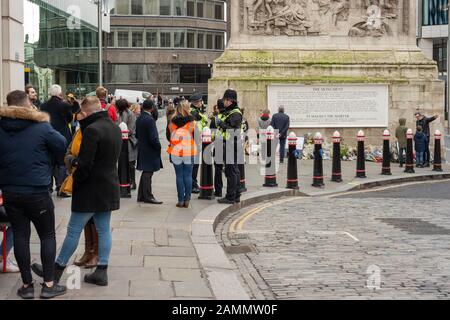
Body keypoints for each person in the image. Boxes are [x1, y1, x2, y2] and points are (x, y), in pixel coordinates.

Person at [31, 96, 122, 287]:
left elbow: (85, 165)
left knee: (73, 230)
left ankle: (55, 271)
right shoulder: (114, 126)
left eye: (79, 112)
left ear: (87, 113)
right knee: (104, 229)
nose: (77, 116)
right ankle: (101, 271)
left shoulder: (92, 130)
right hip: (108, 185)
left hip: (90, 188)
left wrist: (73, 164)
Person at [0, 90, 67, 299]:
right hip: (37, 189)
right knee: (47, 235)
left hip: (10, 190)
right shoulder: (40, 126)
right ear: (28, 104)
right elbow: (62, 144)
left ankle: (27, 285)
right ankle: (48, 285)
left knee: (20, 235)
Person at [65, 111, 99, 268]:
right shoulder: (79, 132)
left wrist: (75, 161)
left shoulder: (94, 131)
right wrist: (72, 161)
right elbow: (69, 151)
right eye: (78, 121)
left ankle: (95, 253)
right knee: (87, 221)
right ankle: (88, 251)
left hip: (93, 181)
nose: (80, 123)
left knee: (95, 220)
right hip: (79, 178)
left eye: (81, 120)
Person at [40, 85, 74, 197]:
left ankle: (48, 187)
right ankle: (61, 187)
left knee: (49, 161)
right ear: (60, 93)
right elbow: (70, 119)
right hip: (63, 134)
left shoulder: (43, 105)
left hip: (47, 134)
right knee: (62, 162)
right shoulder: (64, 104)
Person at [167, 100, 198, 208]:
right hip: (189, 151)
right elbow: (196, 136)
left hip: (176, 151)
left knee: (179, 176)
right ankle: (187, 199)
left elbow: (168, 136)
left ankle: (180, 200)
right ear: (187, 108)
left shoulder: (171, 121)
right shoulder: (192, 122)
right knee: (188, 175)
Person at [215, 89, 243, 204]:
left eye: (225, 100)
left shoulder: (235, 113)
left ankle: (231, 196)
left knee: (231, 171)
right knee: (233, 170)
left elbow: (232, 130)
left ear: (230, 101)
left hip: (231, 144)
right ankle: (236, 194)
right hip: (230, 144)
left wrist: (221, 124)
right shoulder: (231, 112)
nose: (224, 102)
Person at [136, 100, 163, 204]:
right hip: (150, 149)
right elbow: (153, 138)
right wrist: (158, 146)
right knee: (148, 173)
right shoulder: (150, 119)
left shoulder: (139, 118)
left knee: (145, 172)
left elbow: (137, 135)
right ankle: (148, 196)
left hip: (142, 148)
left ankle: (141, 195)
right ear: (151, 107)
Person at [116, 99, 138, 190]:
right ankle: (123, 181)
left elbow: (130, 129)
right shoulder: (119, 113)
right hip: (121, 140)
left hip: (129, 141)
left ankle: (132, 181)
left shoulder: (130, 114)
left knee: (130, 163)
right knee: (122, 162)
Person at [189, 93, 208, 194]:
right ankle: (192, 185)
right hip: (195, 142)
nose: (202, 102)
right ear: (197, 102)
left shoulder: (196, 112)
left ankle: (194, 183)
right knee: (194, 165)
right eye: (201, 101)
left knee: (195, 164)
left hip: (197, 141)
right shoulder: (194, 113)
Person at [210, 99, 226, 198]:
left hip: (219, 144)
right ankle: (232, 191)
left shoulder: (215, 119)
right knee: (231, 169)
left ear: (218, 108)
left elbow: (211, 135)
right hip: (230, 144)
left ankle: (218, 191)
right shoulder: (229, 116)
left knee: (218, 169)